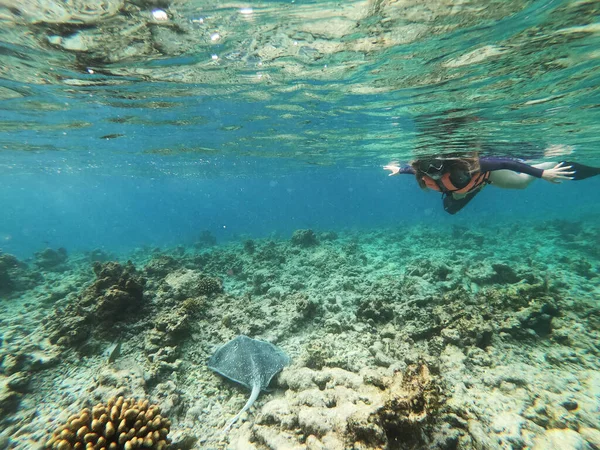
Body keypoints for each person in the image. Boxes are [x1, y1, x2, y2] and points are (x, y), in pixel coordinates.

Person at [384, 154, 600, 214]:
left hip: (486, 177)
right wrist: (397, 169)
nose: (435, 172)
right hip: (464, 189)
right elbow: (410, 169)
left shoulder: (466, 166)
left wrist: (542, 173)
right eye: (428, 168)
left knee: (522, 184)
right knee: (452, 206)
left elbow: (506, 162)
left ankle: (551, 159)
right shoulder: (423, 173)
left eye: (438, 165)